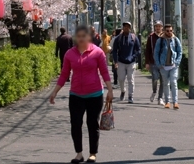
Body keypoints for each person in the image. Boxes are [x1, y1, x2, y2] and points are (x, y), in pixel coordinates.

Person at [49, 26, 112, 164]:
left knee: (92, 124)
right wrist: (54, 92)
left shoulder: (98, 52)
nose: (81, 38)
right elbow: (64, 74)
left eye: (84, 36)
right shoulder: (70, 54)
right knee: (75, 124)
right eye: (79, 36)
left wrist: (110, 90)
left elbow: (104, 72)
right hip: (76, 94)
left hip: (95, 94)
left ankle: (92, 153)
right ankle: (79, 153)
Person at [153, 24, 183, 110]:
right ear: (164, 31)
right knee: (166, 84)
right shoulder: (160, 40)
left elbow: (179, 51)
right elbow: (156, 53)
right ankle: (167, 102)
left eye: (171, 31)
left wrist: (177, 62)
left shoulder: (175, 40)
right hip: (163, 66)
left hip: (173, 65)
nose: (169, 32)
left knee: (174, 82)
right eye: (167, 31)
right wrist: (159, 65)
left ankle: (175, 102)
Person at [111, 21, 141, 103]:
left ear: (130, 28)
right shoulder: (118, 38)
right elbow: (114, 51)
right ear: (123, 28)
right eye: (124, 26)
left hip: (131, 62)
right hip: (121, 61)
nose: (126, 28)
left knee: (131, 79)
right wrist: (116, 61)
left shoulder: (133, 38)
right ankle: (123, 91)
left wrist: (134, 57)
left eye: (128, 27)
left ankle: (130, 96)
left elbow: (139, 50)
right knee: (121, 79)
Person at [144, 21, 165, 105]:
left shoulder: (164, 36)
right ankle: (154, 91)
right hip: (153, 62)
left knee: (163, 80)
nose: (158, 28)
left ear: (162, 27)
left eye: (159, 26)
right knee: (155, 78)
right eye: (156, 26)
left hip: (163, 62)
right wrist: (147, 62)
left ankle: (160, 98)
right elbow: (147, 50)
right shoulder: (151, 37)